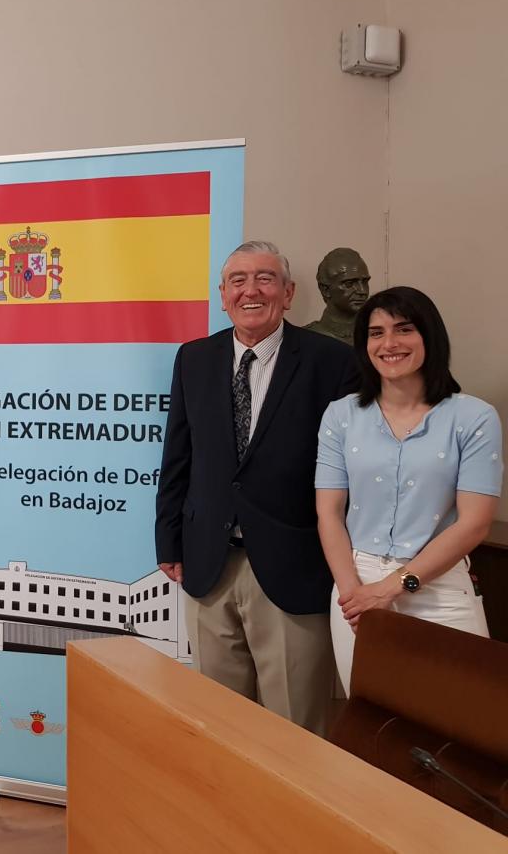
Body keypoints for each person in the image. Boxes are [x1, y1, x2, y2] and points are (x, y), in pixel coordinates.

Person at [154, 240, 359, 735]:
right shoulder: (194, 358)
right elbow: (178, 456)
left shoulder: (332, 362)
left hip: (295, 567)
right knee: (218, 724)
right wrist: (168, 541)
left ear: (288, 294)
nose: (252, 290)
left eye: (265, 279)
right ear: (222, 294)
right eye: (238, 280)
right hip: (208, 564)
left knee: (295, 728)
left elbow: (351, 471)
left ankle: (292, 816)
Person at [316, 287, 500, 694]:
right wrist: (353, 594)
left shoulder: (473, 417)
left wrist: (392, 588)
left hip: (437, 587)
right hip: (355, 584)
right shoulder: (341, 415)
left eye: (403, 329)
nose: (389, 343)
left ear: (429, 337)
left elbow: (474, 524)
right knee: (371, 721)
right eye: (376, 333)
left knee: (461, 720)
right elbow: (329, 513)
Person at [302, 247, 371, 344]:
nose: (362, 290)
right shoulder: (305, 339)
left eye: (364, 282)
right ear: (325, 289)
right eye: (349, 284)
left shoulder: (377, 335)